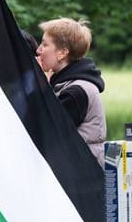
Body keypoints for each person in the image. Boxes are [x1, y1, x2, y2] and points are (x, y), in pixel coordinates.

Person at [37, 17, 106, 166]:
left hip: (83, 177)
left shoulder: (76, 92)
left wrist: (39, 84)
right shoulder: (66, 84)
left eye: (45, 44)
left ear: (62, 53)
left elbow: (44, 128)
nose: (38, 50)